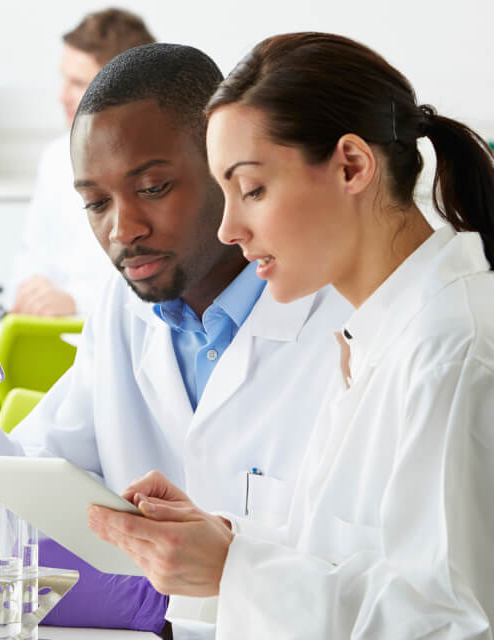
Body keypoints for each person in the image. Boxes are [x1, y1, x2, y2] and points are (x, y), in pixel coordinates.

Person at [0, 44, 352, 636]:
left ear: (226, 166)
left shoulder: (341, 320)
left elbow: (394, 586)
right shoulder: (126, 310)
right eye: (96, 202)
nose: (123, 230)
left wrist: (203, 595)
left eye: (154, 187)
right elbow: (18, 510)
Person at [87, 33, 494, 639]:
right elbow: (352, 563)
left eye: (251, 189)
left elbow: (454, 624)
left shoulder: (452, 351)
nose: (229, 228)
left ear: (352, 166)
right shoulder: (380, 334)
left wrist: (236, 571)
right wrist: (222, 544)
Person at [10, 8, 156, 316]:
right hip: (48, 329)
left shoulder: (159, 168)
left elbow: (157, 283)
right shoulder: (55, 158)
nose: (62, 96)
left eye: (77, 83)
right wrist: (31, 291)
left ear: (122, 89)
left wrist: (75, 302)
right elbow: (31, 259)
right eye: (64, 80)